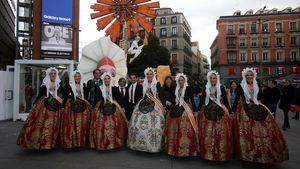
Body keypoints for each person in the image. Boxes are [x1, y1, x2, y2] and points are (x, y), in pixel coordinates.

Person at [233, 67, 289, 163]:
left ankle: (264, 153)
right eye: (247, 75)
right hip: (244, 111)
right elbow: (237, 98)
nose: (249, 77)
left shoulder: (257, 85)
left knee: (263, 131)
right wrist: (232, 111)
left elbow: (262, 99)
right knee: (248, 132)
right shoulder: (240, 86)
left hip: (257, 109)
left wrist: (268, 110)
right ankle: (249, 153)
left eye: (251, 75)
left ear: (254, 76)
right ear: (244, 76)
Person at [17, 67, 63, 149]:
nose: (53, 75)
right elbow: (40, 95)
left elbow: (62, 93)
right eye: (51, 74)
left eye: (54, 73)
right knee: (43, 123)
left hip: (55, 106)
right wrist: (34, 104)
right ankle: (43, 142)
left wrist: (61, 99)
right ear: (48, 75)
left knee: (55, 124)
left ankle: (53, 142)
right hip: (45, 105)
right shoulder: (44, 84)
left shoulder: (59, 83)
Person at [127, 67, 165, 153]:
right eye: (147, 74)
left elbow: (161, 95)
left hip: (154, 105)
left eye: (151, 74)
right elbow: (141, 96)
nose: (149, 75)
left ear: (153, 75)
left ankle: (153, 145)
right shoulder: (143, 84)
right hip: (142, 105)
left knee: (155, 125)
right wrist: (136, 104)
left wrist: (163, 106)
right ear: (146, 75)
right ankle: (138, 144)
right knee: (136, 124)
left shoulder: (157, 83)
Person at [198, 70, 233, 161]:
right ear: (209, 79)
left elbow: (225, 100)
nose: (213, 79)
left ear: (217, 79)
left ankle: (221, 152)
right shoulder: (206, 87)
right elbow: (202, 100)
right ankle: (208, 153)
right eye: (211, 78)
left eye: (214, 78)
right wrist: (197, 110)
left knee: (220, 133)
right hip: (207, 112)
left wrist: (230, 111)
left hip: (220, 112)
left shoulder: (221, 87)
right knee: (207, 133)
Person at [89, 72, 128, 150]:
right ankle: (102, 142)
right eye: (105, 78)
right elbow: (96, 99)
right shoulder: (99, 87)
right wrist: (94, 107)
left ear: (111, 79)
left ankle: (114, 142)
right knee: (101, 125)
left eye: (108, 78)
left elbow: (119, 98)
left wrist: (122, 106)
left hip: (114, 107)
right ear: (103, 79)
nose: (107, 80)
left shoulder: (114, 88)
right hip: (101, 107)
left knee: (115, 124)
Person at [164, 73, 198, 157]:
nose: (180, 81)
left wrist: (195, 110)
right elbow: (174, 99)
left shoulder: (188, 88)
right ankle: (173, 146)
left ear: (185, 80)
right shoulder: (176, 88)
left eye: (182, 80)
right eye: (179, 80)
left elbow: (192, 99)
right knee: (172, 123)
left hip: (185, 107)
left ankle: (185, 148)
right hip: (177, 106)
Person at [60, 71, 91, 148]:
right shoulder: (69, 85)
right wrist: (63, 106)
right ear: (73, 77)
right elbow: (65, 96)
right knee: (72, 124)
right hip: (71, 106)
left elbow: (86, 96)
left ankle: (82, 141)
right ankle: (73, 141)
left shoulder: (83, 85)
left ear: (81, 77)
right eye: (76, 76)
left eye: (79, 76)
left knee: (83, 123)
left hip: (82, 106)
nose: (77, 78)